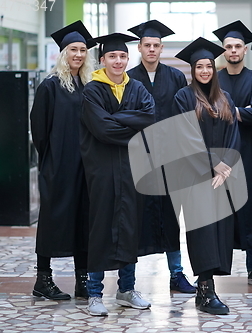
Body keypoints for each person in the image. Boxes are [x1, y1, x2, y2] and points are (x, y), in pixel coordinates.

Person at [80, 33, 155, 316]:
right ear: (102, 60)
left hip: (132, 169)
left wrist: (116, 120)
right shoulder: (92, 90)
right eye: (112, 56)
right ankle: (94, 293)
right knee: (100, 226)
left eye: (123, 56)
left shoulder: (136, 87)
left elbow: (149, 118)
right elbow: (102, 130)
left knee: (129, 226)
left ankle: (126, 289)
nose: (118, 61)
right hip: (102, 169)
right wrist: (128, 125)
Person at [172, 37, 240, 315]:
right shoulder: (183, 97)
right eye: (199, 66)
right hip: (196, 176)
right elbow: (184, 136)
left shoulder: (225, 98)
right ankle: (205, 290)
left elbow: (235, 134)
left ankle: (207, 287)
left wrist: (225, 165)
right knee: (203, 233)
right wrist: (213, 163)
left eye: (208, 66)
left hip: (223, 177)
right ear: (192, 69)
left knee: (220, 233)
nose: (204, 71)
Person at [127, 20, 195, 294]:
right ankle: (127, 278)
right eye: (147, 46)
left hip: (170, 160)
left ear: (161, 48)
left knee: (170, 216)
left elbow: (183, 118)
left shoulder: (176, 77)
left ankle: (176, 274)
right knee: (134, 217)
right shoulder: (129, 78)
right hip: (139, 160)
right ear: (140, 48)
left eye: (156, 46)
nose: (152, 49)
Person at [30, 21, 95, 301]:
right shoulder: (50, 86)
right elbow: (39, 131)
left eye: (82, 50)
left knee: (84, 220)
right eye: (73, 49)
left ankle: (83, 281)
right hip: (58, 166)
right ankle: (43, 279)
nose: (78, 54)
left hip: (86, 166)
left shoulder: (90, 85)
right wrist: (52, 160)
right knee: (52, 220)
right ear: (63, 53)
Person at [212, 20, 252, 288]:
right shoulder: (214, 79)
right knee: (221, 211)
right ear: (223, 51)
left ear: (245, 49)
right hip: (219, 155)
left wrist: (227, 112)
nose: (233, 50)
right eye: (228, 47)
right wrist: (240, 111)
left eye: (237, 46)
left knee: (250, 213)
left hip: (248, 154)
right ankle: (217, 266)